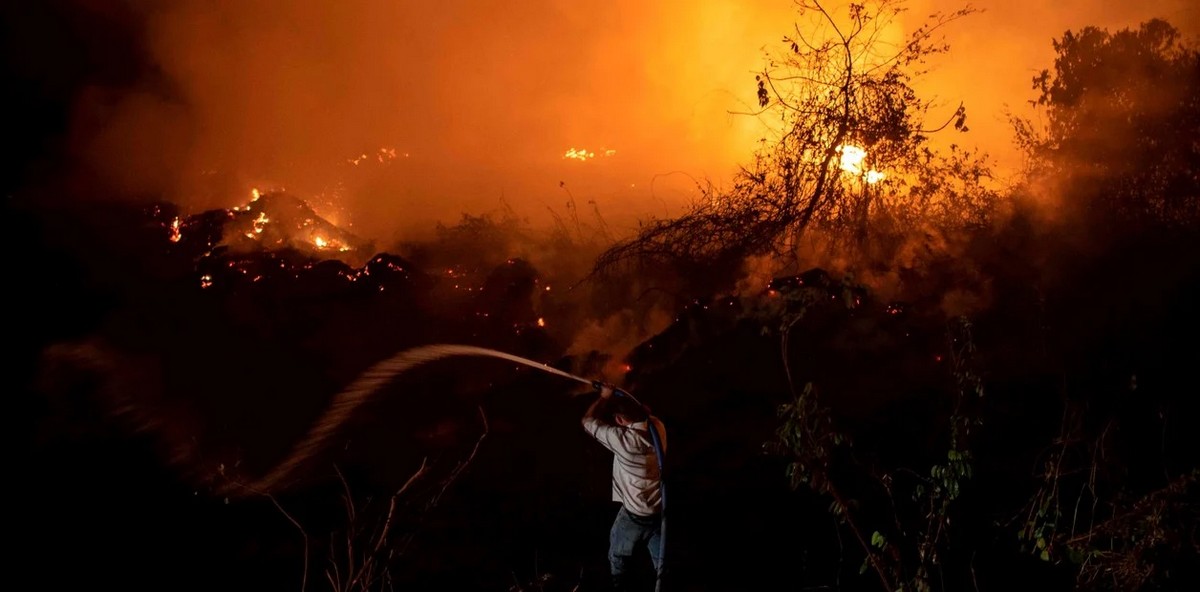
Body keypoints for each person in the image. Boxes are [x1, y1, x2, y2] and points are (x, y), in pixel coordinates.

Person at [582, 383, 667, 592]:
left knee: (617, 554)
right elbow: (643, 414)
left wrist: (603, 397)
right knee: (662, 561)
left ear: (620, 420)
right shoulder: (658, 427)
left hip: (635, 515)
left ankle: (619, 585)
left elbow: (587, 421)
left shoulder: (624, 441)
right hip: (659, 510)